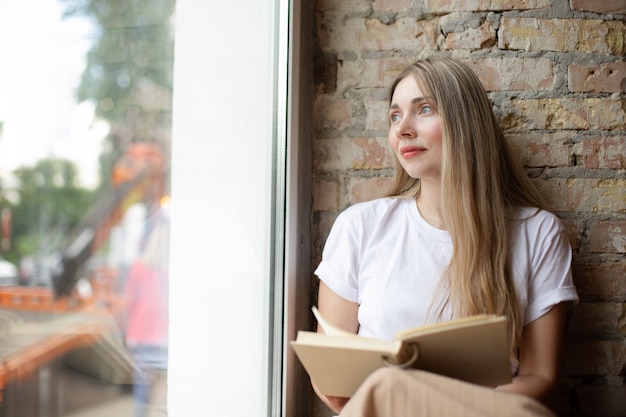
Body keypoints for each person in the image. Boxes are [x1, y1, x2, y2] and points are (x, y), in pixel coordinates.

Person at [312, 56, 579, 417]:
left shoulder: (538, 232)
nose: (402, 129)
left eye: (423, 110)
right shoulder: (359, 227)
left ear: (464, 122)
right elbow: (331, 380)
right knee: (386, 385)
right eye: (394, 116)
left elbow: (539, 376)